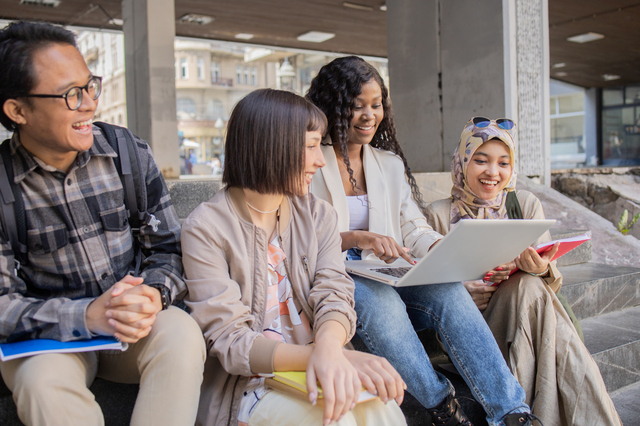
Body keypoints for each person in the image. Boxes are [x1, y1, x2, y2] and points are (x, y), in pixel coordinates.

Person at [307, 55, 539, 426]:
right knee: (380, 302)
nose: (369, 115)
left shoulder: (388, 164)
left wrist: (439, 250)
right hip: (334, 274)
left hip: (387, 268)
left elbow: (413, 226)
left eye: (376, 104)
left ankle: (512, 411)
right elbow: (293, 234)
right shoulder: (308, 160)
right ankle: (440, 406)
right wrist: (354, 236)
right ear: (334, 105)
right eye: (357, 106)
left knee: (447, 289)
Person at [0, 21, 205, 425]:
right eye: (70, 94)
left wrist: (152, 294)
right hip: (47, 340)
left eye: (90, 85)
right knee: (41, 382)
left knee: (181, 334)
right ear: (18, 110)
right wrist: (86, 316)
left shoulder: (127, 154)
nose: (90, 103)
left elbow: (169, 250)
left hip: (130, 327)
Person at [181, 88, 407, 426]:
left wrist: (330, 350)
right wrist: (325, 357)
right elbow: (230, 341)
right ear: (273, 148)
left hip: (320, 365)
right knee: (336, 421)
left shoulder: (318, 215)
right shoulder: (206, 228)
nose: (320, 160)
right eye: (312, 146)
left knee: (384, 411)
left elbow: (336, 292)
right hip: (247, 388)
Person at [424, 117, 622, 426]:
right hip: (469, 327)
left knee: (528, 287)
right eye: (481, 160)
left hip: (525, 314)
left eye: (504, 163)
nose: (493, 172)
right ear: (463, 161)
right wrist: (459, 291)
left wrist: (540, 267)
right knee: (538, 308)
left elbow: (550, 285)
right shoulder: (439, 213)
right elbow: (423, 285)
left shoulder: (523, 204)